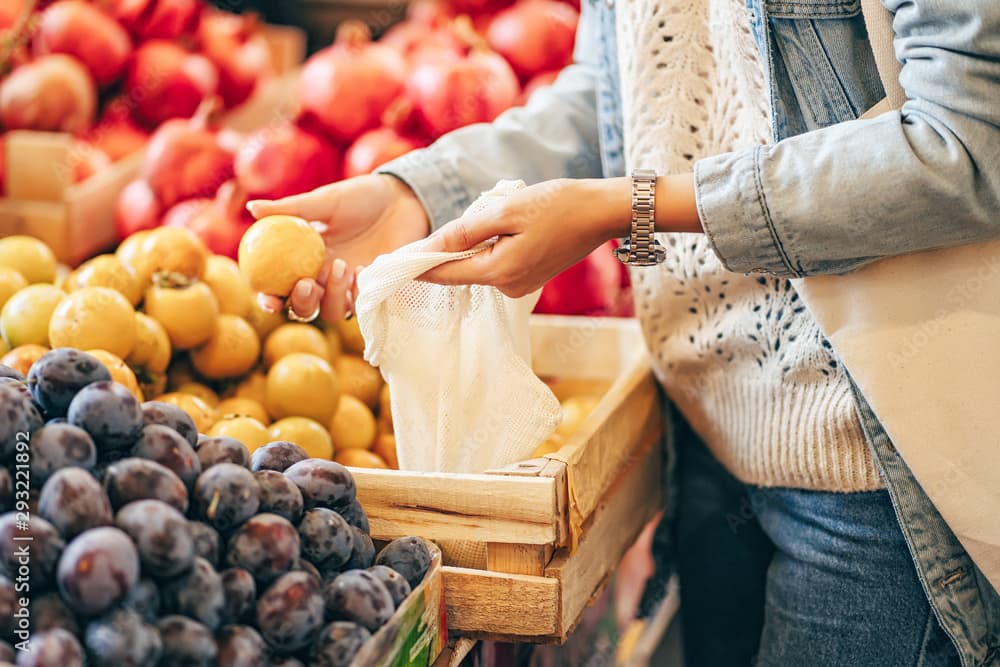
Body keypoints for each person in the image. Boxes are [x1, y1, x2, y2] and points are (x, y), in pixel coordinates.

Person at [248, 0, 1000, 664]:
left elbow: (965, 142)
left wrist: (628, 206)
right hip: (709, 424)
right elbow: (616, 90)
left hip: (874, 460)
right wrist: (413, 196)